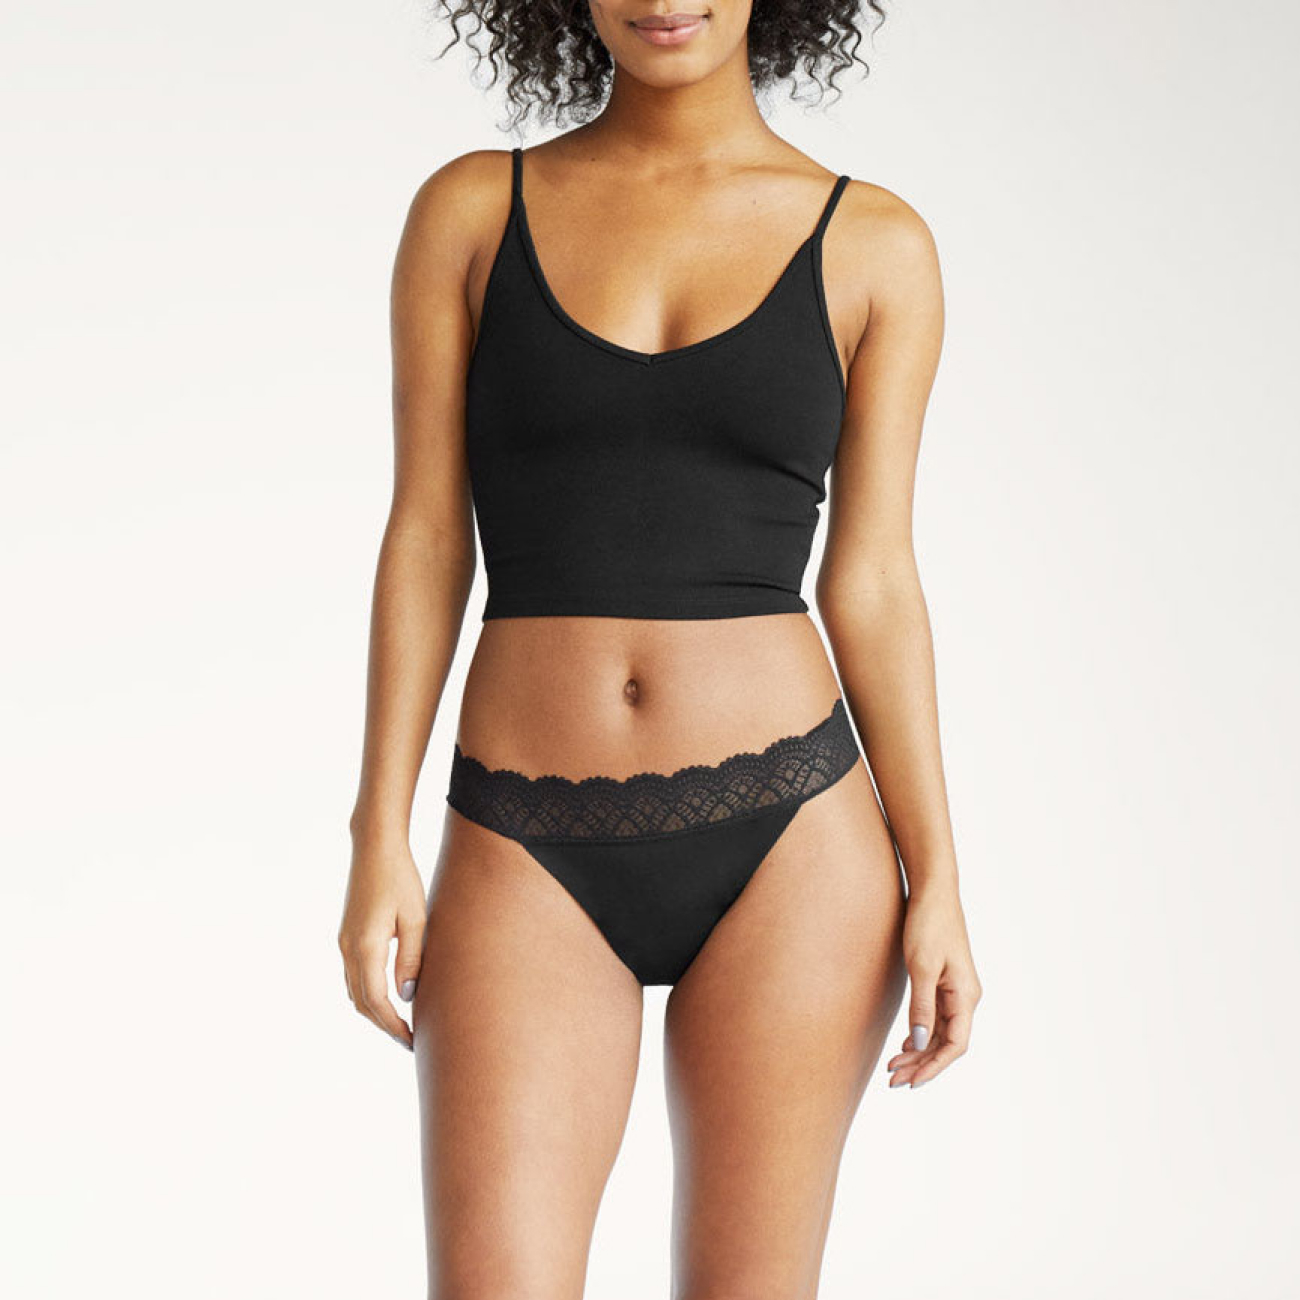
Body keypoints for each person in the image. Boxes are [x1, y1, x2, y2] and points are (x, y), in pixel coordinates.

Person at [339, 2, 982, 1293]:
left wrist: (941, 877)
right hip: (524, 830)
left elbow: (872, 581)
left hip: (795, 838)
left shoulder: (875, 243)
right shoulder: (472, 213)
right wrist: (377, 833)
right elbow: (425, 536)